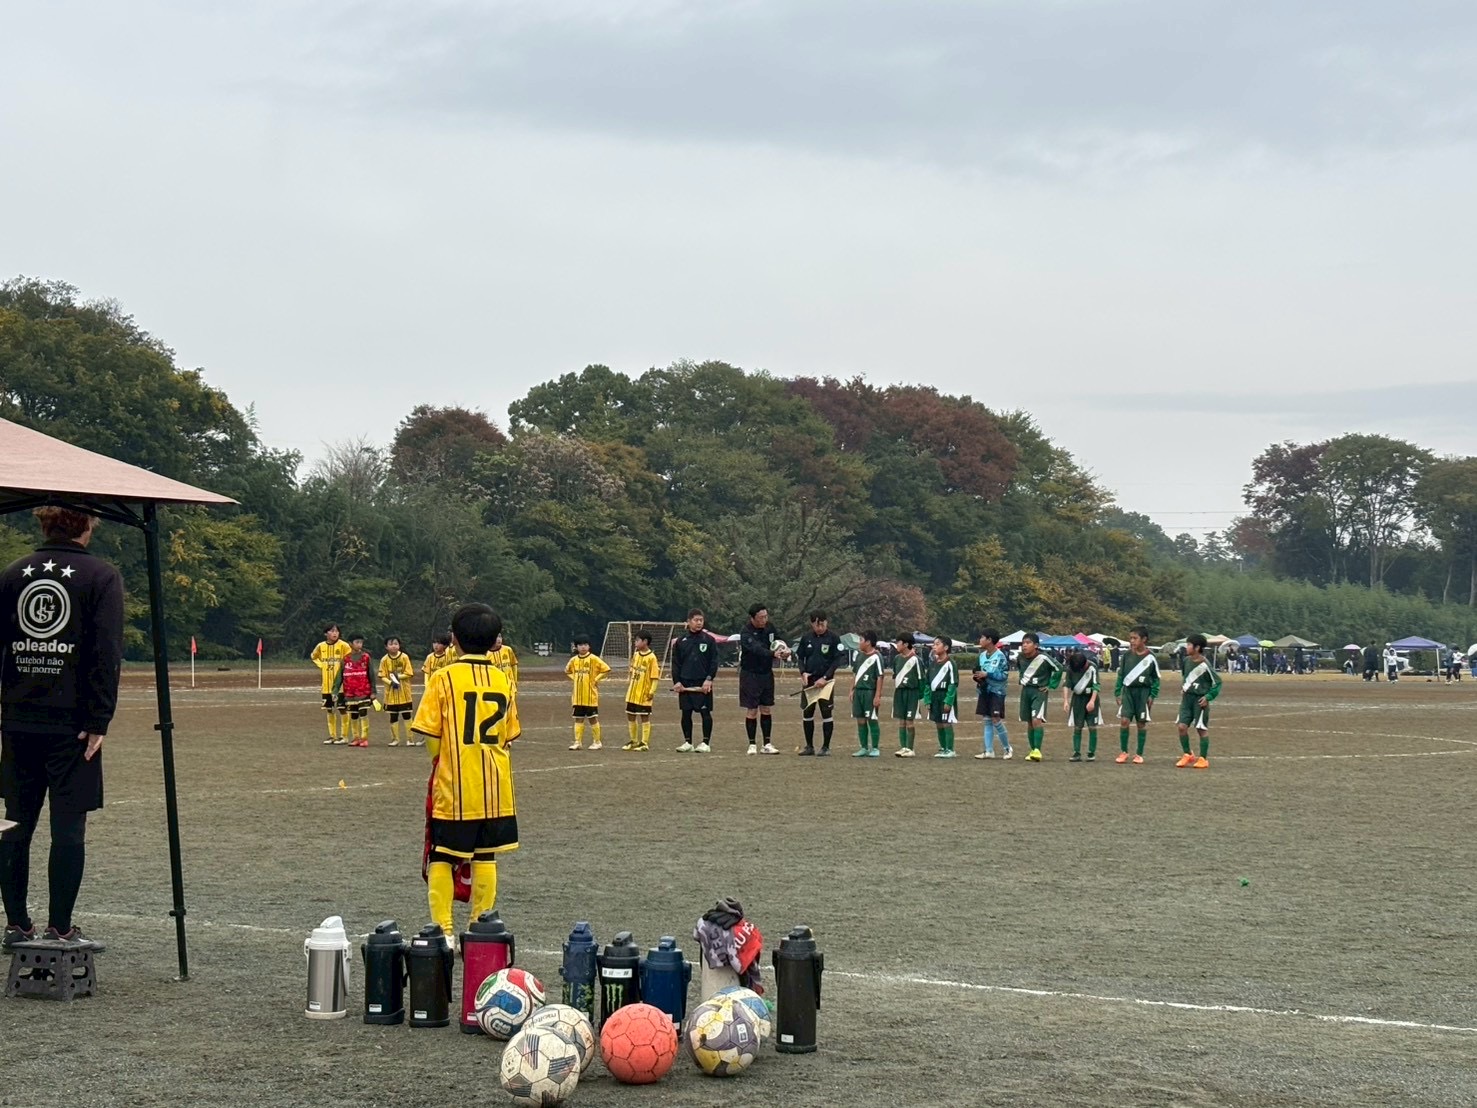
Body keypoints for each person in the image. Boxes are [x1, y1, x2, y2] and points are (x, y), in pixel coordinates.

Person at [1, 506, 124, 947]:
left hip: (16, 722)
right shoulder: (101, 576)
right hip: (74, 727)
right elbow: (106, 652)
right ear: (87, 525)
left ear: (44, 524)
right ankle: (60, 928)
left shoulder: (12, 574)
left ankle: (17, 926)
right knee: (68, 828)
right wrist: (99, 719)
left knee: (14, 825)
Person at [410, 603, 517, 940]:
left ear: (454, 638)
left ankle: (443, 931)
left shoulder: (443, 678)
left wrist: (439, 763)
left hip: (455, 785)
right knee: (485, 856)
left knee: (442, 856)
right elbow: (508, 734)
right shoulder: (503, 679)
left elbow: (430, 733)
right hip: (495, 786)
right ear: (495, 641)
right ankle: (479, 929)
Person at [738, 603, 788, 755]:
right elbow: (756, 649)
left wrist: (785, 650)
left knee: (766, 708)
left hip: (766, 673)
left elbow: (778, 641)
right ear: (753, 618)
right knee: (752, 709)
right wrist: (772, 654)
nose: (764, 620)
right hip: (750, 674)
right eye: (761, 617)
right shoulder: (746, 632)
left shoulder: (770, 628)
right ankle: (752, 744)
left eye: (766, 616)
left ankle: (767, 743)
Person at [795, 611, 844, 756]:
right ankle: (809, 746)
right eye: (817, 625)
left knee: (826, 713)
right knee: (807, 713)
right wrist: (803, 672)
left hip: (826, 683)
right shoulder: (806, 638)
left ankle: (826, 747)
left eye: (822, 624)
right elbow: (800, 658)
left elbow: (837, 660)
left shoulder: (834, 638)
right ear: (812, 624)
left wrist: (825, 677)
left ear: (826, 622)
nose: (820, 627)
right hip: (809, 682)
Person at [672, 610, 719, 752]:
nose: (699, 623)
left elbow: (714, 662)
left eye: (701, 620)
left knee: (705, 712)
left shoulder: (708, 640)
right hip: (685, 682)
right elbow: (676, 663)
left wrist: (709, 679)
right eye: (696, 620)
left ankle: (705, 743)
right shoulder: (681, 641)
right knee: (686, 713)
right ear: (689, 621)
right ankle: (688, 742)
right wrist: (677, 681)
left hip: (702, 682)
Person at [1114, 626, 1161, 764]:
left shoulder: (1151, 657)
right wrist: (1118, 692)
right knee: (1124, 721)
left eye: (1135, 638)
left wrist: (1152, 695)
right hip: (1128, 692)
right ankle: (1124, 752)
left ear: (1144, 639)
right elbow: (1121, 674)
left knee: (1141, 723)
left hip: (1143, 693)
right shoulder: (1127, 655)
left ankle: (1139, 754)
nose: (1132, 641)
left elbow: (1156, 678)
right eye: (1131, 638)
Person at [1176, 633, 1222, 769]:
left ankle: (1203, 759)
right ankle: (1187, 754)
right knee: (1181, 727)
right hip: (1187, 699)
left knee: (1201, 729)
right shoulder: (1186, 661)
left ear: (1197, 647)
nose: (1186, 647)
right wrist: (1184, 688)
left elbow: (1218, 682)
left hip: (1199, 700)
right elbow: (1185, 676)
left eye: (1189, 645)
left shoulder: (1205, 664)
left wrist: (1208, 697)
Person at [1016, 632, 1062, 763]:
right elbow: (1020, 669)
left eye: (1028, 643)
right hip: (1026, 690)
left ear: (1036, 645)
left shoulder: (1043, 657)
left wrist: (1050, 685)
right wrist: (1022, 679)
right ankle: (1032, 750)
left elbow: (1058, 668)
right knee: (1029, 721)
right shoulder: (1020, 657)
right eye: (1023, 643)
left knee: (1036, 719)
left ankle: (1037, 750)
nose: (1024, 645)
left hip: (1039, 691)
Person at [972, 629, 1013, 760]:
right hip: (984, 691)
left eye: (982, 637)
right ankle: (989, 751)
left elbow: (1004, 675)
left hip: (997, 692)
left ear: (989, 640)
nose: (980, 640)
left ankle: (1007, 749)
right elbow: (981, 672)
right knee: (987, 720)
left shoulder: (1000, 656)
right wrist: (978, 677)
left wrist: (988, 674)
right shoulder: (982, 656)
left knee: (996, 719)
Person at [333, 634, 378, 747]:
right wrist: (335, 691)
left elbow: (371, 675)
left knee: (363, 713)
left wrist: (373, 691)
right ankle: (356, 738)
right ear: (350, 644)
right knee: (353, 715)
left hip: (363, 691)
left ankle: (364, 738)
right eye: (357, 642)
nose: (359, 645)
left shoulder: (366, 657)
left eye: (361, 642)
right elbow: (339, 676)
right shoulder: (345, 659)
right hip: (349, 693)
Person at [566, 636, 610, 750]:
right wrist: (575, 678)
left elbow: (606, 669)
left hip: (590, 696)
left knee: (592, 718)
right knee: (578, 718)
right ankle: (577, 742)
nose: (583, 647)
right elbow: (567, 671)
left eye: (585, 644)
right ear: (576, 647)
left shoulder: (594, 659)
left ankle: (597, 741)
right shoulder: (574, 660)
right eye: (580, 645)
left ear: (589, 646)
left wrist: (596, 679)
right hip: (578, 696)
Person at [312, 623, 351, 745]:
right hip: (326, 685)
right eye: (332, 631)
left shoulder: (344, 646)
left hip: (341, 685)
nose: (335, 633)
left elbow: (350, 660)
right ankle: (332, 736)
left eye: (336, 631)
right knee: (329, 709)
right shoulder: (321, 646)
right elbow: (314, 656)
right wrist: (321, 665)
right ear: (326, 633)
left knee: (342, 709)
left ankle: (344, 736)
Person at [848, 630, 884, 758]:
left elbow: (880, 677)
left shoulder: (877, 657)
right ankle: (863, 747)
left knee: (872, 719)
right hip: (859, 691)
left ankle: (875, 748)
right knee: (860, 719)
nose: (859, 642)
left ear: (868, 642)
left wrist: (877, 695)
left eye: (861, 640)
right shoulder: (859, 656)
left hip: (869, 692)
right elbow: (855, 674)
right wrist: (852, 689)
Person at [1061, 649, 1102, 762]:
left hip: (1091, 697)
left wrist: (1092, 701)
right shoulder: (1071, 668)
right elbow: (1066, 684)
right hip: (1077, 700)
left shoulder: (1092, 667)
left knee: (1092, 726)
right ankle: (1076, 752)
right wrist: (1065, 701)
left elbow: (1096, 685)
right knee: (1077, 727)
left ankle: (1091, 752)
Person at [623, 631, 660, 751]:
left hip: (644, 693)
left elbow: (655, 677)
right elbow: (632, 671)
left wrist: (652, 691)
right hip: (632, 692)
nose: (635, 642)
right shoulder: (636, 655)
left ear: (645, 642)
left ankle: (644, 743)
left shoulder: (651, 658)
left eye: (637, 640)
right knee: (630, 715)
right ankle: (634, 741)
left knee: (644, 717)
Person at [924, 635, 959, 758]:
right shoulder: (933, 664)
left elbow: (953, 683)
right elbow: (927, 683)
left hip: (944, 695)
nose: (934, 647)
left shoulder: (950, 664)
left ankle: (950, 749)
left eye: (937, 644)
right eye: (934, 644)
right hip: (935, 696)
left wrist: (948, 701)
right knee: (938, 723)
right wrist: (927, 699)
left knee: (946, 723)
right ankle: (943, 747)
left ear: (946, 647)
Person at [890, 634, 924, 758]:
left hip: (911, 693)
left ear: (905, 644)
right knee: (901, 721)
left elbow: (921, 678)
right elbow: (895, 674)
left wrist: (920, 695)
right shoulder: (897, 659)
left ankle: (910, 748)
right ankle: (903, 747)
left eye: (898, 643)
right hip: (899, 692)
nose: (896, 645)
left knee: (910, 721)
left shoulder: (916, 660)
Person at [379, 636, 415, 746]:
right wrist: (391, 682)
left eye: (395, 644)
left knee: (407, 715)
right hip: (391, 694)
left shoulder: (404, 657)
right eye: (391, 644)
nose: (393, 646)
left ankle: (410, 739)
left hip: (404, 692)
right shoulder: (384, 660)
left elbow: (409, 673)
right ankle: (395, 739)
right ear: (386, 647)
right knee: (393, 716)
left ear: (399, 645)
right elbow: (382, 675)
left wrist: (397, 677)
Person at [488, 631, 522, 744]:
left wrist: (515, 682)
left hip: (509, 687)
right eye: (496, 637)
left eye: (500, 637)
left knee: (509, 712)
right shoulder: (487, 654)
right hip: (496, 689)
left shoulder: (507, 650)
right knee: (498, 713)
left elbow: (513, 665)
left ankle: (508, 737)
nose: (499, 639)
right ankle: (499, 734)